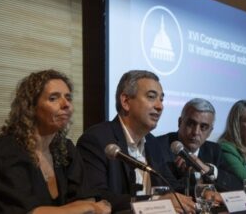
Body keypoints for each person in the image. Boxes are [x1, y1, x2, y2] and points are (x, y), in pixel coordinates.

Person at [0, 69, 111, 214]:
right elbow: (30, 212)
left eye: (68, 98)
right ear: (30, 107)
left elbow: (86, 199)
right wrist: (88, 208)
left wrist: (86, 206)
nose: (66, 104)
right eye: (53, 98)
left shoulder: (66, 150)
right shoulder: (6, 151)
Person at [77, 70, 195, 213]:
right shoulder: (97, 139)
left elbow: (171, 186)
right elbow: (97, 197)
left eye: (161, 99)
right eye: (151, 97)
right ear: (126, 101)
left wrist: (202, 191)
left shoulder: (152, 142)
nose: (160, 106)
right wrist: (154, 201)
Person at [157, 98, 243, 197]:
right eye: (191, 124)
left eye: (203, 127)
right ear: (180, 122)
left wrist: (208, 170)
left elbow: (238, 186)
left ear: (210, 131)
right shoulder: (159, 146)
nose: (196, 132)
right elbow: (163, 190)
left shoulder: (213, 150)